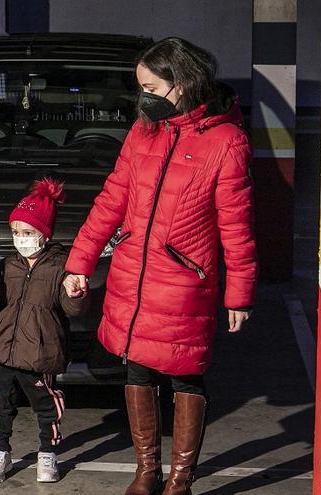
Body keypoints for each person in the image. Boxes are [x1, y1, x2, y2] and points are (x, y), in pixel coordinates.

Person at [62, 37, 257, 495]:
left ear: (183, 82)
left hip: (185, 281)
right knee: (137, 369)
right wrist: (79, 262)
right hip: (133, 273)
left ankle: (179, 480)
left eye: (150, 86)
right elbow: (112, 199)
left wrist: (240, 294)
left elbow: (237, 227)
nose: (143, 96)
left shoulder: (228, 143)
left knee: (185, 372)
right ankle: (146, 471)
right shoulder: (143, 130)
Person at [0, 178, 88, 483]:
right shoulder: (7, 266)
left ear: (44, 234)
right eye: (16, 233)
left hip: (40, 351)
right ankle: (0, 450)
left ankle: (47, 453)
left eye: (28, 233)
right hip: (3, 348)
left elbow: (71, 310)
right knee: (1, 403)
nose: (21, 239)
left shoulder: (60, 266)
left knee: (46, 406)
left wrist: (75, 293)